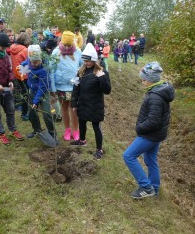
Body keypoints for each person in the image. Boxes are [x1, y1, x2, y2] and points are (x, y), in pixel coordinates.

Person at [123, 61, 175, 199]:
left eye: (144, 79)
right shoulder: (157, 91)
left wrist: (139, 128)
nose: (142, 81)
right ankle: (155, 188)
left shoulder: (155, 97)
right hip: (156, 134)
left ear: (151, 80)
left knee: (128, 156)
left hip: (150, 135)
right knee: (150, 160)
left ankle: (146, 187)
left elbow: (153, 121)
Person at [70, 43, 111, 160]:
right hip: (83, 103)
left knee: (96, 126)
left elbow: (107, 90)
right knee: (82, 122)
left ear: (94, 60)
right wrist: (74, 103)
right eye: (85, 61)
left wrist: (102, 78)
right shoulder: (81, 72)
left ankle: (99, 149)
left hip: (95, 105)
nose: (86, 63)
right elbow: (76, 88)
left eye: (89, 61)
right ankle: (82, 140)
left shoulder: (101, 72)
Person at [51, 31, 83, 141]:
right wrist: (53, 87)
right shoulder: (56, 52)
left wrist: (79, 76)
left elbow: (83, 65)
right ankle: (67, 129)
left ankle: (76, 130)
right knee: (64, 107)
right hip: (61, 86)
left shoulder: (78, 51)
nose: (67, 47)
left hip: (73, 86)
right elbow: (51, 70)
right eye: (66, 45)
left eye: (69, 45)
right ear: (62, 42)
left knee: (74, 109)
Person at [20, 45, 56, 140]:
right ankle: (37, 130)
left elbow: (42, 88)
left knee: (47, 113)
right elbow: (26, 62)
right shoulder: (29, 59)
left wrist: (36, 102)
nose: (35, 64)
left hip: (43, 92)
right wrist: (21, 66)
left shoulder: (44, 69)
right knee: (31, 112)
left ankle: (53, 135)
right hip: (32, 89)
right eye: (33, 62)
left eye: (37, 61)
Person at [10, 32, 31, 121]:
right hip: (25, 75)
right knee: (26, 93)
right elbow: (29, 63)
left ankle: (24, 109)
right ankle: (25, 113)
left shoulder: (12, 48)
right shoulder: (25, 50)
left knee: (23, 92)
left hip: (17, 74)